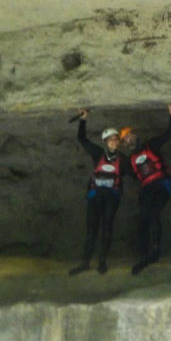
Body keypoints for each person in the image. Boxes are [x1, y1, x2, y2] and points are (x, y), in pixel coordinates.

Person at [120, 104, 171, 274]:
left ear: (136, 136)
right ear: (124, 144)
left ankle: (156, 250)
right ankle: (143, 257)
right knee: (142, 221)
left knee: (153, 214)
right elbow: (130, 175)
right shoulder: (130, 159)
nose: (130, 139)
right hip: (147, 189)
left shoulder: (151, 145)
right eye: (126, 139)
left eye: (131, 136)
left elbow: (169, 133)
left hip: (161, 185)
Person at [69, 109, 122, 275]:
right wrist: (83, 120)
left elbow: (136, 173)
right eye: (110, 140)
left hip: (111, 198)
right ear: (105, 142)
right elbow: (82, 139)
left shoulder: (123, 160)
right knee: (91, 229)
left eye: (115, 140)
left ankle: (102, 262)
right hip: (96, 196)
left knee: (107, 229)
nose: (113, 142)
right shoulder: (98, 153)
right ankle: (85, 262)